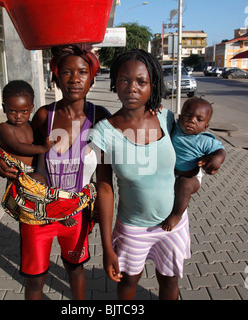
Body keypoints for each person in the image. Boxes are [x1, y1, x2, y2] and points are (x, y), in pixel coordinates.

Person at [0, 44, 111, 300]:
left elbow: (107, 172)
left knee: (75, 268)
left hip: (76, 214)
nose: (75, 79)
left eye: (82, 71)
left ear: (92, 76)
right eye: (67, 72)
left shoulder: (100, 117)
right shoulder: (45, 115)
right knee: (35, 279)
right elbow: (23, 147)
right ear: (56, 76)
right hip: (38, 215)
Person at [89, 49, 185, 300]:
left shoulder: (167, 118)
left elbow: (193, 149)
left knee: (169, 281)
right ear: (114, 83)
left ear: (153, 85)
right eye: (124, 80)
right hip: (133, 228)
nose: (132, 87)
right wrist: (107, 245)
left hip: (172, 225)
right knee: (128, 281)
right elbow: (105, 188)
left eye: (141, 81)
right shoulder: (104, 132)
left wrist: (212, 160)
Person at [0, 80, 92, 227]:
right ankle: (58, 215)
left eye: (24, 111)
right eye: (12, 111)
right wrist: (42, 148)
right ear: (4, 108)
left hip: (33, 172)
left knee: (47, 187)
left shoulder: (30, 125)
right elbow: (16, 146)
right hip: (20, 174)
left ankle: (56, 212)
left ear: (31, 109)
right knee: (40, 185)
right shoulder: (4, 127)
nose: (18, 116)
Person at [161, 97, 226, 232]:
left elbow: (220, 150)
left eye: (199, 119)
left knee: (184, 185)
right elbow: (162, 118)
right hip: (172, 174)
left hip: (192, 177)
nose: (192, 120)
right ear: (180, 117)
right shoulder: (176, 128)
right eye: (188, 115)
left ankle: (176, 215)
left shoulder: (204, 140)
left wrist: (216, 160)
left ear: (205, 127)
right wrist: (158, 108)